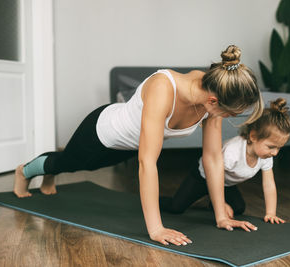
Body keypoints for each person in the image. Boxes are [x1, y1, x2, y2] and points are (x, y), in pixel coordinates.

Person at [13, 45, 264, 246]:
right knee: (68, 162)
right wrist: (156, 228)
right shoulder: (163, 89)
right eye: (232, 113)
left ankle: (49, 176)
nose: (232, 118)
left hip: (128, 146)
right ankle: (24, 171)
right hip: (102, 132)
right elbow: (147, 163)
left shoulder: (212, 97)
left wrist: (221, 215)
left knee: (69, 165)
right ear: (213, 100)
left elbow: (212, 158)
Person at [160, 98, 290, 224]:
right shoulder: (232, 152)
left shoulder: (266, 156)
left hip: (225, 183)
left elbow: (269, 185)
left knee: (238, 208)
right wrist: (221, 204)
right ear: (253, 136)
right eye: (271, 147)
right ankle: (156, 200)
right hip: (203, 177)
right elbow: (213, 174)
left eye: (279, 148)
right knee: (176, 207)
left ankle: (211, 202)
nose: (275, 153)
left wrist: (270, 213)